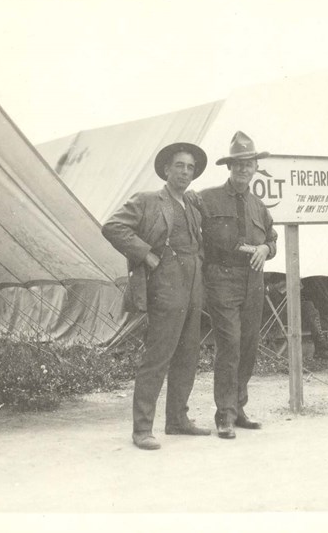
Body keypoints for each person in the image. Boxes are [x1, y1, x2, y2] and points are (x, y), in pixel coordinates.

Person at [101, 142, 211, 450]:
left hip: (193, 284)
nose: (185, 172)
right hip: (165, 285)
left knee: (188, 354)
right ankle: (142, 429)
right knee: (157, 357)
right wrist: (146, 255)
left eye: (190, 167)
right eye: (179, 165)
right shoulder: (148, 200)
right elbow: (113, 227)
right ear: (166, 169)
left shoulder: (192, 203)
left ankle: (177, 420)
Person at [196, 131, 278, 439]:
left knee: (248, 345)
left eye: (249, 164)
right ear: (229, 167)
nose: (244, 170)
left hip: (253, 281)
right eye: (238, 165)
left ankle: (239, 408)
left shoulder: (259, 206)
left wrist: (264, 250)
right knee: (229, 343)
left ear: (255, 168)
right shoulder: (206, 198)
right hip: (222, 279)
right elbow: (197, 236)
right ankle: (225, 415)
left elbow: (272, 238)